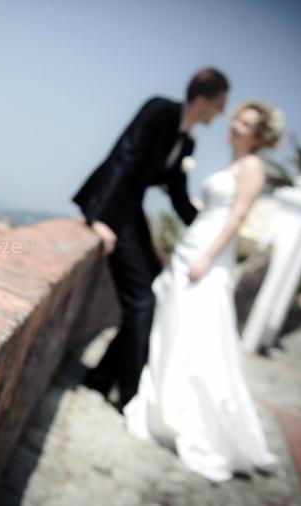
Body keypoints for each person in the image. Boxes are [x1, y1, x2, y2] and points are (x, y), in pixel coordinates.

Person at [123, 101, 284, 482]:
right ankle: (162, 404)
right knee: (173, 326)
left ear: (259, 135)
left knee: (197, 334)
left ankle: (191, 416)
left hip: (207, 257)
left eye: (244, 123)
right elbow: (212, 208)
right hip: (191, 248)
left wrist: (208, 258)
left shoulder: (252, 167)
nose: (234, 125)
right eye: (236, 119)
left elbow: (237, 217)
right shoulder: (232, 165)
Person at [73, 68, 229, 410]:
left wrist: (212, 223)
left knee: (151, 293)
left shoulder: (188, 141)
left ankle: (101, 378)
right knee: (142, 300)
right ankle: (129, 396)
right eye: (220, 104)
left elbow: (177, 194)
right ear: (203, 99)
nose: (221, 113)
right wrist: (98, 217)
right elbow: (124, 155)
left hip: (132, 213)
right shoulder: (160, 110)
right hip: (113, 208)